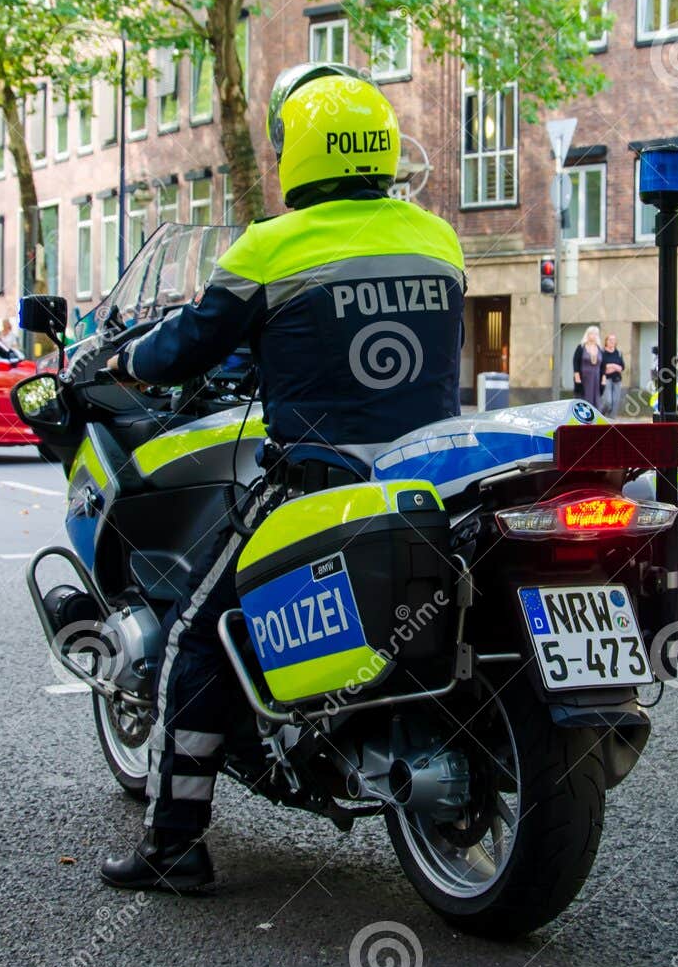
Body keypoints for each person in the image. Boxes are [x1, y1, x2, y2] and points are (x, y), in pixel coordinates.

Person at [97, 62, 465, 892]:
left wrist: (127, 358)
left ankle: (174, 845)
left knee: (197, 634)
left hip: (321, 482)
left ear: (296, 150)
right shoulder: (437, 237)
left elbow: (190, 343)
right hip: (431, 480)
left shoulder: (270, 245)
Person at [572, 326, 602, 407]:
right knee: (583, 399)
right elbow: (575, 362)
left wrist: (603, 380)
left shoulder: (599, 348)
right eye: (592, 333)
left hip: (596, 378)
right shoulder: (581, 347)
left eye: (596, 334)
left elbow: (603, 366)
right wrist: (577, 378)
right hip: (584, 378)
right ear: (587, 335)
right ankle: (583, 418)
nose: (594, 335)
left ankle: (594, 418)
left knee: (596, 400)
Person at [600, 332, 625, 416]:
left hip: (617, 379)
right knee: (608, 401)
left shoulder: (618, 353)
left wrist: (612, 366)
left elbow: (622, 367)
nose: (612, 341)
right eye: (610, 340)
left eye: (614, 340)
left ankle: (612, 421)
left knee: (616, 402)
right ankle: (601, 414)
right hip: (606, 379)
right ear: (606, 341)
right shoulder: (602, 352)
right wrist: (613, 366)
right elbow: (602, 367)